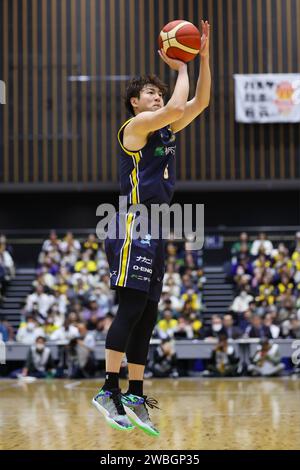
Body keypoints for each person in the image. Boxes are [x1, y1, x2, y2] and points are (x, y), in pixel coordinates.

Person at [92, 20, 211, 435]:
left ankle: (134, 392)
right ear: (134, 103)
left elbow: (199, 102)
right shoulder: (133, 129)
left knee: (149, 312)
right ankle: (108, 388)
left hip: (158, 225)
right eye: (150, 93)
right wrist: (180, 66)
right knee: (130, 307)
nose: (157, 96)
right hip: (131, 222)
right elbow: (179, 106)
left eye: (159, 92)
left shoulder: (164, 126)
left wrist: (202, 56)